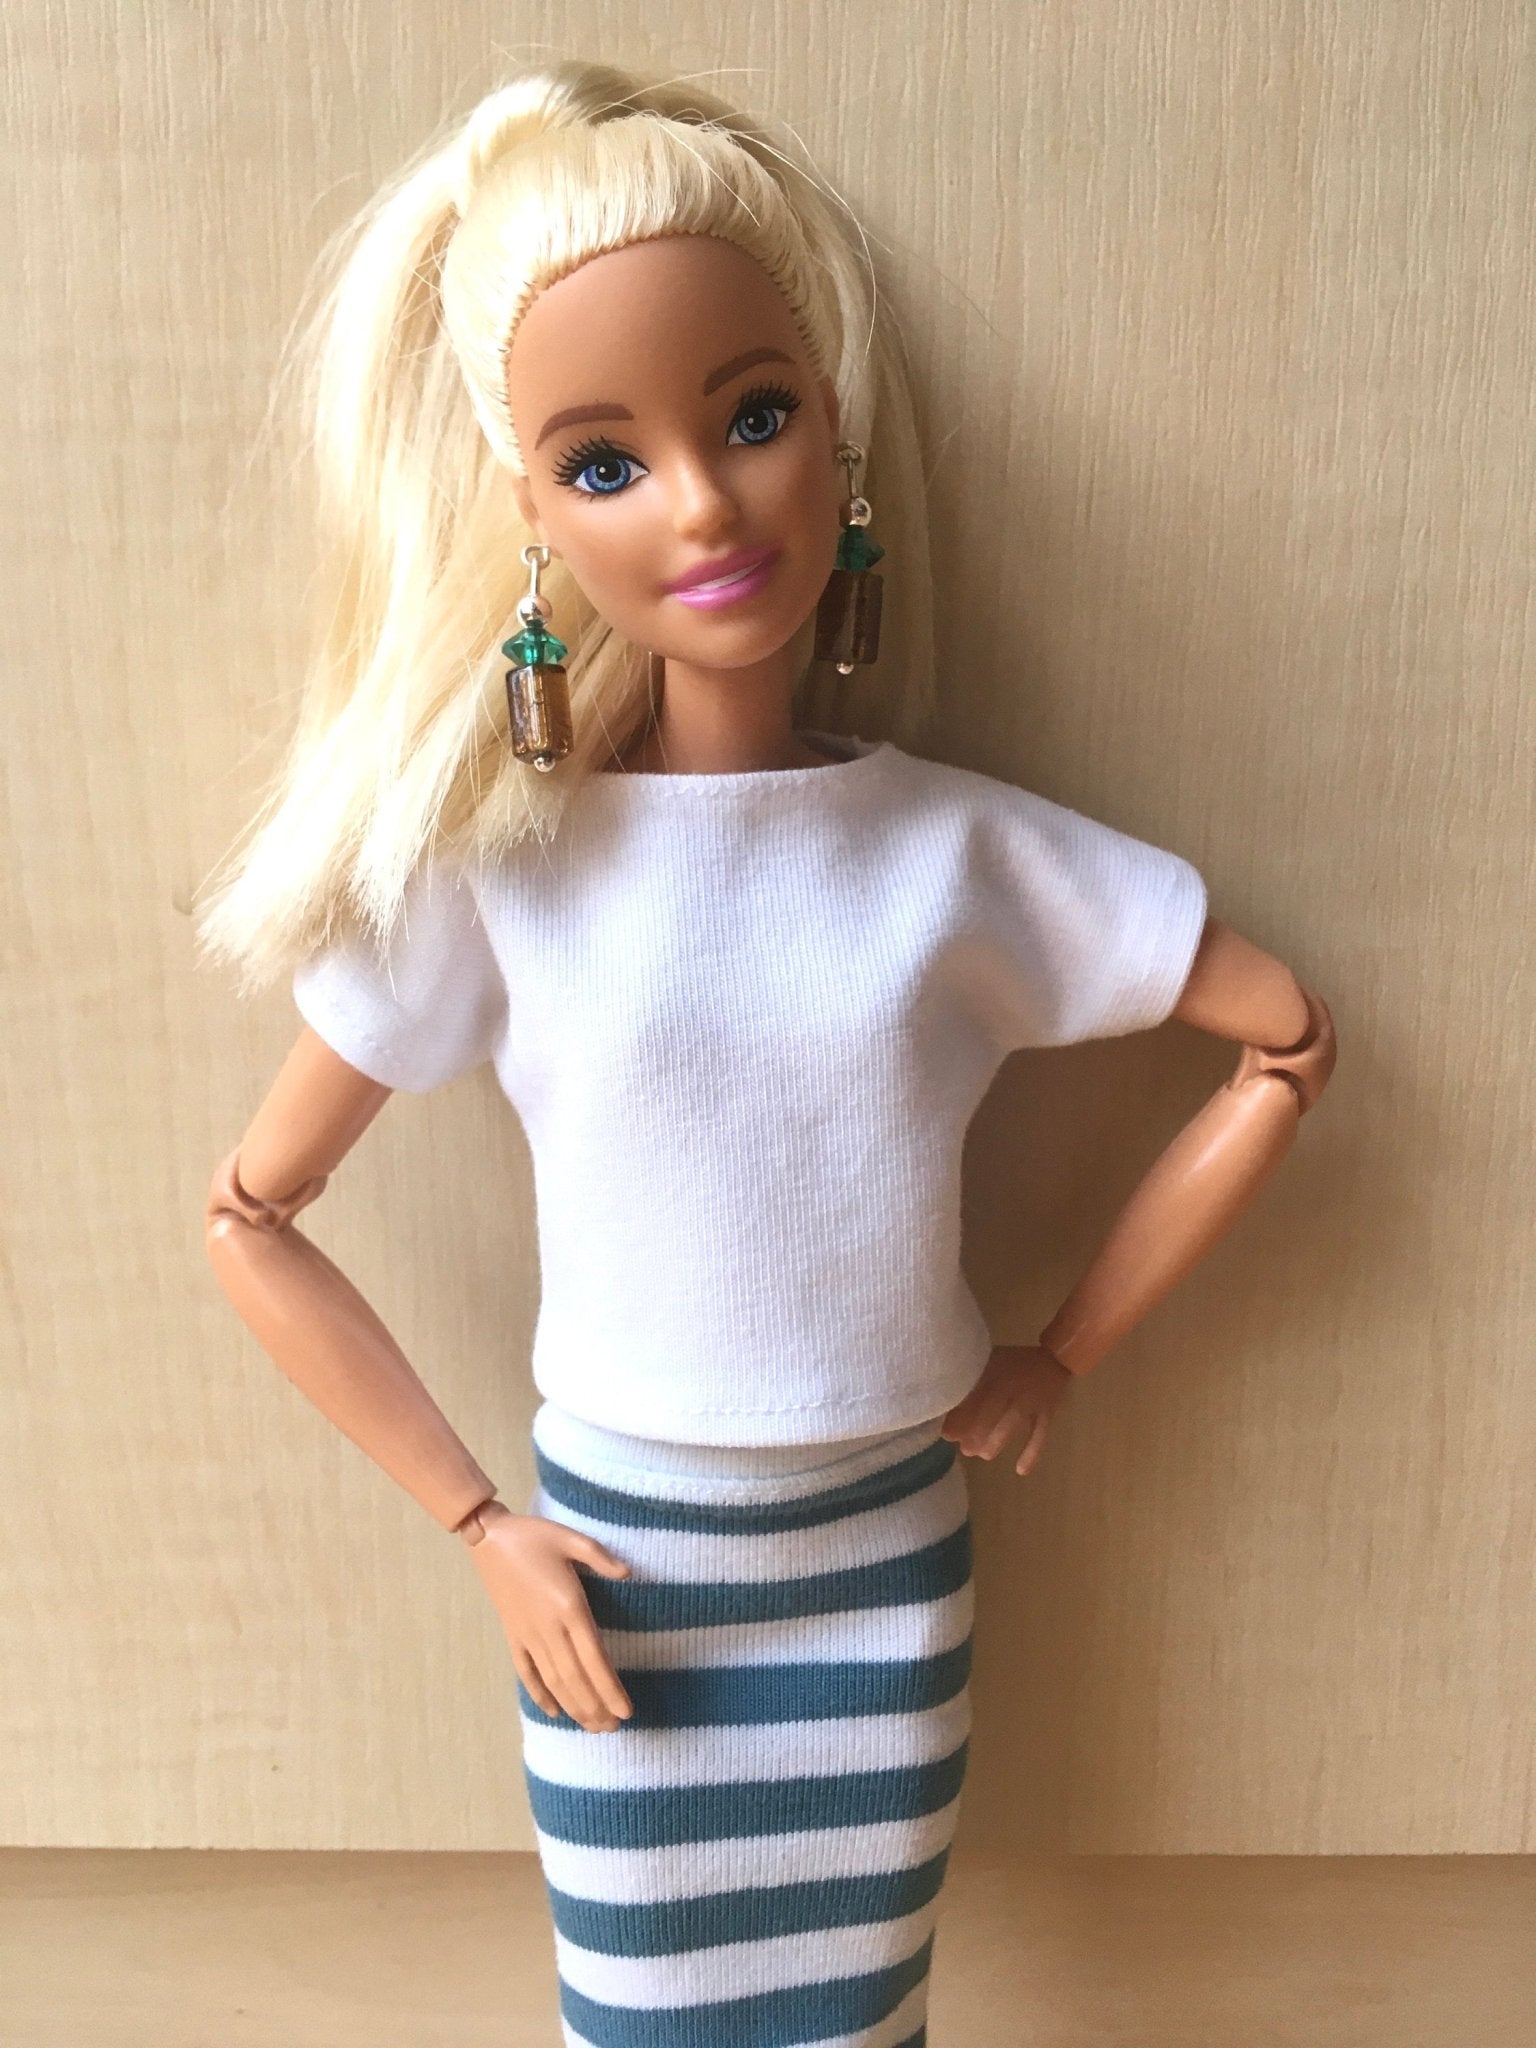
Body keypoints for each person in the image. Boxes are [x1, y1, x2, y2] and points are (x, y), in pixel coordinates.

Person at [197, 59, 1336, 2047]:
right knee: (638, 2013)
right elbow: (247, 1212)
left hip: (878, 1566)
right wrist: (479, 1526)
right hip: (619, 1581)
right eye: (605, 462)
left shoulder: (956, 857)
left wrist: (1063, 1350)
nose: (709, 503)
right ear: (530, 515)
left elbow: (1286, 1039)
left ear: (836, 430)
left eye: (752, 415)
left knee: (861, 2015)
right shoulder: (506, 879)